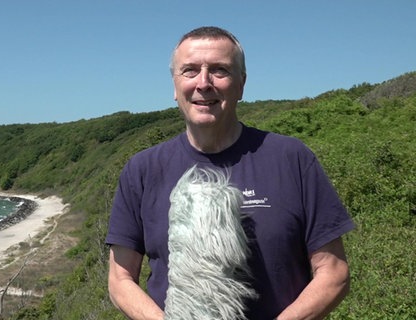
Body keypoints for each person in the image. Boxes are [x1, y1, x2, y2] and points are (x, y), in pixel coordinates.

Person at [106, 26, 355, 320]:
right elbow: (120, 279)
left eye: (219, 70)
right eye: (189, 71)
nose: (203, 83)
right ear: (175, 86)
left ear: (241, 84)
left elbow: (334, 272)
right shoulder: (143, 169)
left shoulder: (291, 158)